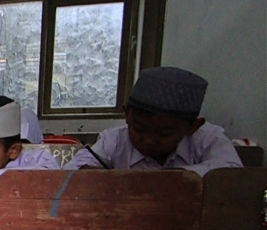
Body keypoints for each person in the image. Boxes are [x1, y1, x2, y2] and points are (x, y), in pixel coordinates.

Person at [65, 66, 242, 176]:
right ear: (127, 116)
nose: (148, 140)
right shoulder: (114, 141)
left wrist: (172, 178)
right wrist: (90, 174)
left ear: (193, 127)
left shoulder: (208, 138)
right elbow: (74, 169)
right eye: (139, 129)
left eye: (164, 133)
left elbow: (231, 173)